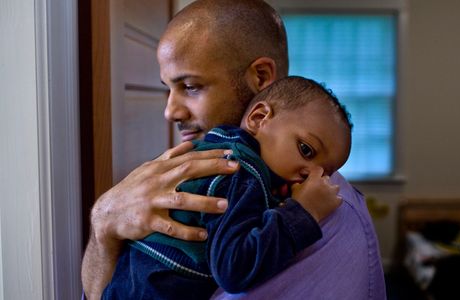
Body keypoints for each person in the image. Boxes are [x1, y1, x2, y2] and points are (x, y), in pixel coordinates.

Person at [81, 0, 386, 299]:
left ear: (261, 78)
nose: (170, 111)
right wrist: (103, 226)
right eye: (168, 88)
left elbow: (236, 271)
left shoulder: (322, 216)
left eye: (190, 86)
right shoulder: (201, 170)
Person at [102, 76, 353, 299]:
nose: (311, 175)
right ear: (258, 118)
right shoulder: (238, 173)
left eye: (325, 172)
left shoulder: (219, 146)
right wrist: (303, 212)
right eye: (306, 150)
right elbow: (233, 270)